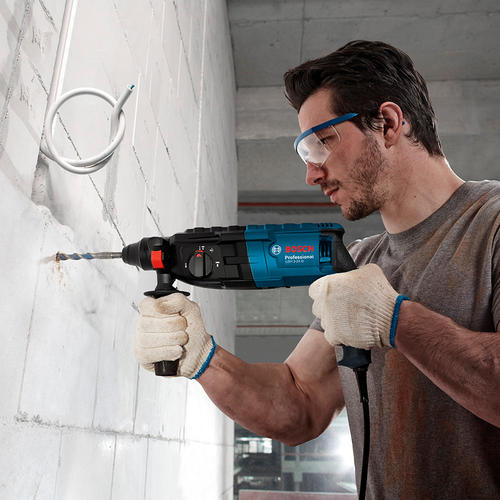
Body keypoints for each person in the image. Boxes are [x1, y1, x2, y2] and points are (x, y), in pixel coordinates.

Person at [134, 41, 500, 499]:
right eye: (305, 152)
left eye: (322, 142)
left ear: (388, 124)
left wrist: (396, 319)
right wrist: (204, 358)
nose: (311, 174)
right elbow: (299, 403)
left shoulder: (491, 224)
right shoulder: (361, 262)